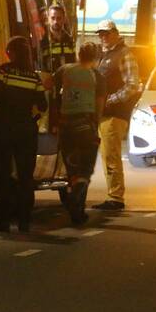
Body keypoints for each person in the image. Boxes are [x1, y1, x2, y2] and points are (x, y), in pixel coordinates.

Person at [0, 36, 48, 233]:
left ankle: (3, 221)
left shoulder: (5, 71)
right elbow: (43, 105)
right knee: (25, 178)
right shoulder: (34, 77)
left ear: (13, 53)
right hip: (26, 132)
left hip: (3, 130)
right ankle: (24, 222)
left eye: (9, 52)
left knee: (2, 176)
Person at [52, 42, 105, 224]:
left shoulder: (64, 70)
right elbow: (99, 104)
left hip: (66, 125)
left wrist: (55, 119)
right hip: (85, 125)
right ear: (96, 58)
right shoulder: (96, 76)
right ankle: (77, 203)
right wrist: (95, 124)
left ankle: (77, 211)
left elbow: (52, 92)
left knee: (72, 169)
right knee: (85, 170)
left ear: (78, 54)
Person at [93, 20, 142, 211]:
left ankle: (116, 197)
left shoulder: (124, 54)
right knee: (106, 155)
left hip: (114, 114)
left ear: (115, 33)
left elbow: (132, 85)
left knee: (111, 155)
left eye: (106, 33)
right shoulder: (103, 55)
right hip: (103, 113)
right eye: (101, 34)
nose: (103, 37)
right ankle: (113, 195)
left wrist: (110, 100)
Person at [40, 5, 77, 73]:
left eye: (59, 18)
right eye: (53, 18)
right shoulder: (42, 40)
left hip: (67, 80)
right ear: (48, 19)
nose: (56, 22)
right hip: (49, 81)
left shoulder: (70, 40)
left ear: (64, 19)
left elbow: (74, 63)